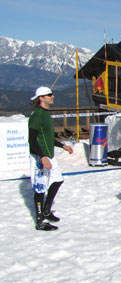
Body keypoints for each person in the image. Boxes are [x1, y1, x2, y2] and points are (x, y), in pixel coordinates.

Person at [28, 86, 73, 231]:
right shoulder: (37, 116)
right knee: (40, 189)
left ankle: (46, 210)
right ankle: (40, 221)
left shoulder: (45, 114)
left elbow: (47, 137)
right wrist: (42, 157)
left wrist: (62, 146)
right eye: (49, 95)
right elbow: (32, 140)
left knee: (58, 180)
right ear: (41, 98)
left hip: (49, 156)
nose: (53, 96)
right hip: (39, 156)